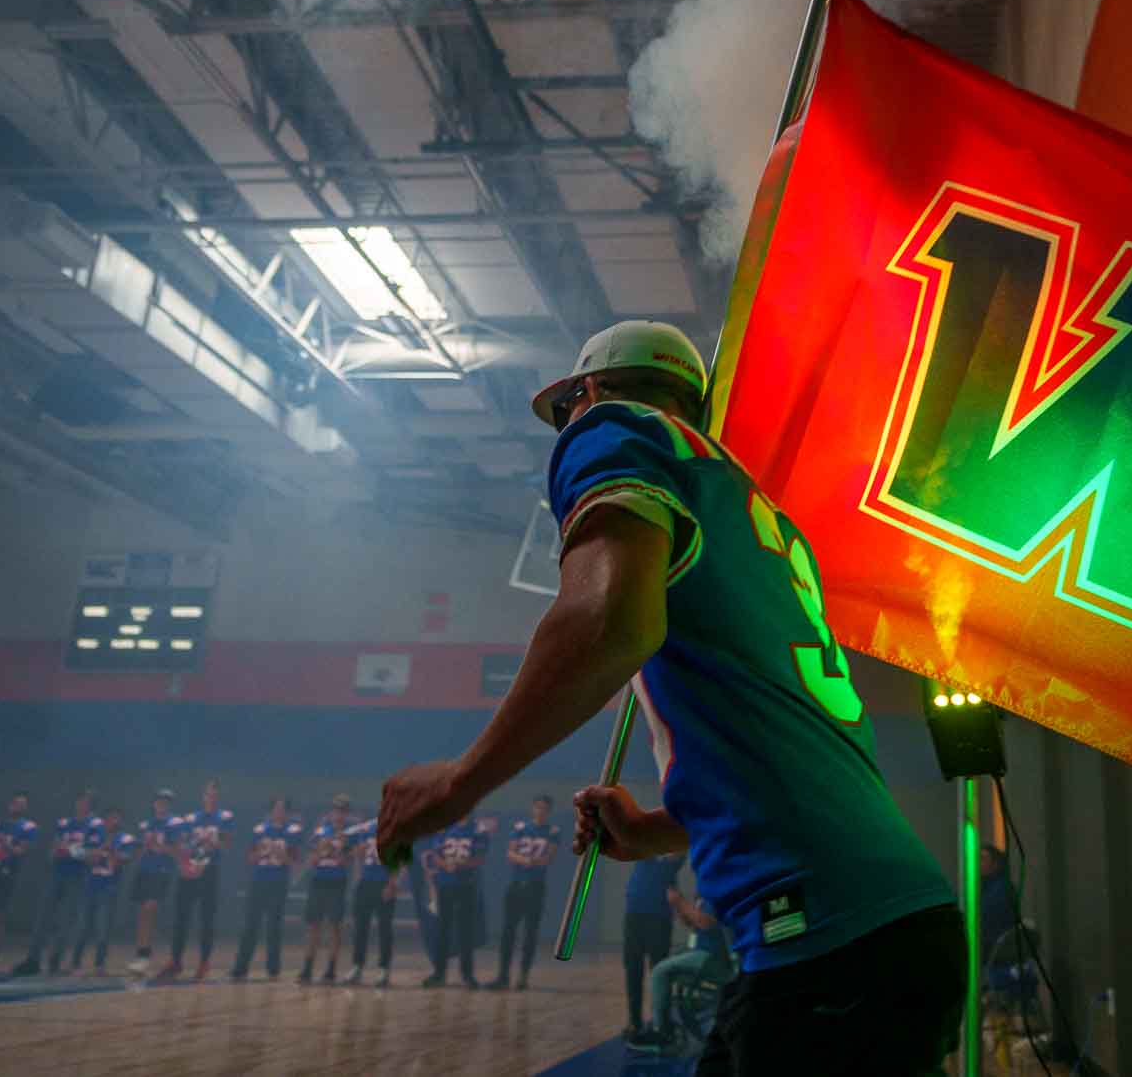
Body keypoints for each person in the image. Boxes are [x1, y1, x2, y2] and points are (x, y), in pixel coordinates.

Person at [378, 320, 962, 1076]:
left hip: (823, 933)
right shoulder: (758, 523)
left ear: (584, 394)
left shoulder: (618, 430)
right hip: (879, 921)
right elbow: (785, 762)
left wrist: (461, 783)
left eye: (566, 415)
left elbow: (607, 620)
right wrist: (654, 830)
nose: (568, 431)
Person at [633, 892, 734, 1051]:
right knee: (670, 963)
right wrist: (681, 911)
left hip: (712, 956)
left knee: (659, 972)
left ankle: (662, 1033)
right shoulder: (706, 894)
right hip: (704, 952)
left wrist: (680, 902)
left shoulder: (713, 894)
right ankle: (665, 1017)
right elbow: (697, 924)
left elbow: (705, 922)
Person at [158, 780, 233, 981]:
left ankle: (204, 962)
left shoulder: (224, 818)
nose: (211, 798)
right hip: (190, 870)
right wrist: (184, 865)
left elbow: (227, 845)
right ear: (203, 796)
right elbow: (182, 845)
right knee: (181, 917)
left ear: (218, 797)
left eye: (214, 795)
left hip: (209, 870)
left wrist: (214, 842)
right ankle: (175, 961)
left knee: (207, 919)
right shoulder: (191, 818)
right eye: (208, 794)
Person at [16, 789, 96, 975]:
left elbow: (93, 856)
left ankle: (55, 960)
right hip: (57, 873)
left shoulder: (94, 825)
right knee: (42, 917)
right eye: (79, 800)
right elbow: (52, 851)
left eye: (85, 801)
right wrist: (57, 851)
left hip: (77, 877)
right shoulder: (64, 823)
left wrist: (70, 851)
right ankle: (33, 960)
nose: (81, 804)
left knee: (66, 920)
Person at [489, 795, 560, 990]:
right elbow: (510, 853)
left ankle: (523, 977)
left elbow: (549, 857)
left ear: (549, 811)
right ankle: (502, 975)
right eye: (537, 807)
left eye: (544, 808)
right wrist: (524, 859)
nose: (540, 811)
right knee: (508, 932)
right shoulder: (521, 828)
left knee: (530, 933)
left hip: (536, 886)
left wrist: (533, 861)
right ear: (532, 809)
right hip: (516, 885)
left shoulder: (552, 831)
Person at [230, 797, 299, 982]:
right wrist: (260, 852)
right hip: (259, 881)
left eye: (282, 809)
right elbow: (249, 857)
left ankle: (273, 968)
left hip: (278, 882)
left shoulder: (292, 831)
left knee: (274, 926)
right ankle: (240, 967)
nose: (279, 812)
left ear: (287, 812)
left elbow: (294, 861)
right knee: (250, 924)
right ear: (271, 811)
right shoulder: (259, 830)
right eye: (276, 808)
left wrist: (280, 853)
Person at [418, 813, 486, 989]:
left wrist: (461, 865)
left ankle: (467, 975)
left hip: (466, 886)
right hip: (445, 886)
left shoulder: (477, 830)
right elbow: (436, 854)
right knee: (443, 929)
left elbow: (480, 858)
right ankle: (439, 974)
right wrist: (444, 864)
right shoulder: (444, 828)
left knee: (465, 931)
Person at [623, 851, 685, 1036]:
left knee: (659, 970)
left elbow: (675, 856)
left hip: (659, 913)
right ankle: (634, 1021)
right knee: (633, 968)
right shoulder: (645, 837)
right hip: (635, 909)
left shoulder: (675, 838)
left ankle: (662, 1022)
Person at [0, 789, 36, 970]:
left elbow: (21, 850)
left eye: (22, 805)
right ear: (10, 804)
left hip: (8, 873)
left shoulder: (28, 827)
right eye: (16, 803)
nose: (18, 807)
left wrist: (6, 844)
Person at [72, 808, 133, 975]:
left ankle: (99, 964)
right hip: (90, 886)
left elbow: (122, 861)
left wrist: (111, 851)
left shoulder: (124, 838)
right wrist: (97, 852)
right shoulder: (92, 834)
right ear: (105, 820)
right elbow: (80, 855)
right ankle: (75, 964)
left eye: (118, 819)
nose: (115, 822)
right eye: (112, 818)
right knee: (82, 927)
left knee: (103, 928)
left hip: (108, 888)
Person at [299, 793, 352, 984]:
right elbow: (311, 860)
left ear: (346, 814)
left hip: (337, 882)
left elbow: (347, 861)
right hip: (318, 881)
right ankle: (307, 968)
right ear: (331, 812)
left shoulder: (349, 834)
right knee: (313, 925)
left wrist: (337, 848)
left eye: (342, 811)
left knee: (335, 927)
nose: (338, 814)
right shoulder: (320, 831)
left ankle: (330, 969)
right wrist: (323, 849)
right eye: (336, 810)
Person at [342, 810, 398, 988]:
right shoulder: (365, 830)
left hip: (384, 882)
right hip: (365, 883)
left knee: (384, 928)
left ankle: (383, 969)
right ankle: (357, 966)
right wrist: (355, 856)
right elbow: (351, 854)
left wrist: (391, 884)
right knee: (361, 927)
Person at [126, 789, 177, 974]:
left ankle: (152, 949)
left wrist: (161, 846)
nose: (162, 805)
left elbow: (178, 851)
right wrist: (142, 847)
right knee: (142, 912)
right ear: (153, 803)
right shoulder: (145, 825)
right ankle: (142, 951)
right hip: (144, 871)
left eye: (166, 802)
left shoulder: (174, 824)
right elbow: (137, 853)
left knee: (151, 907)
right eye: (159, 801)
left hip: (161, 871)